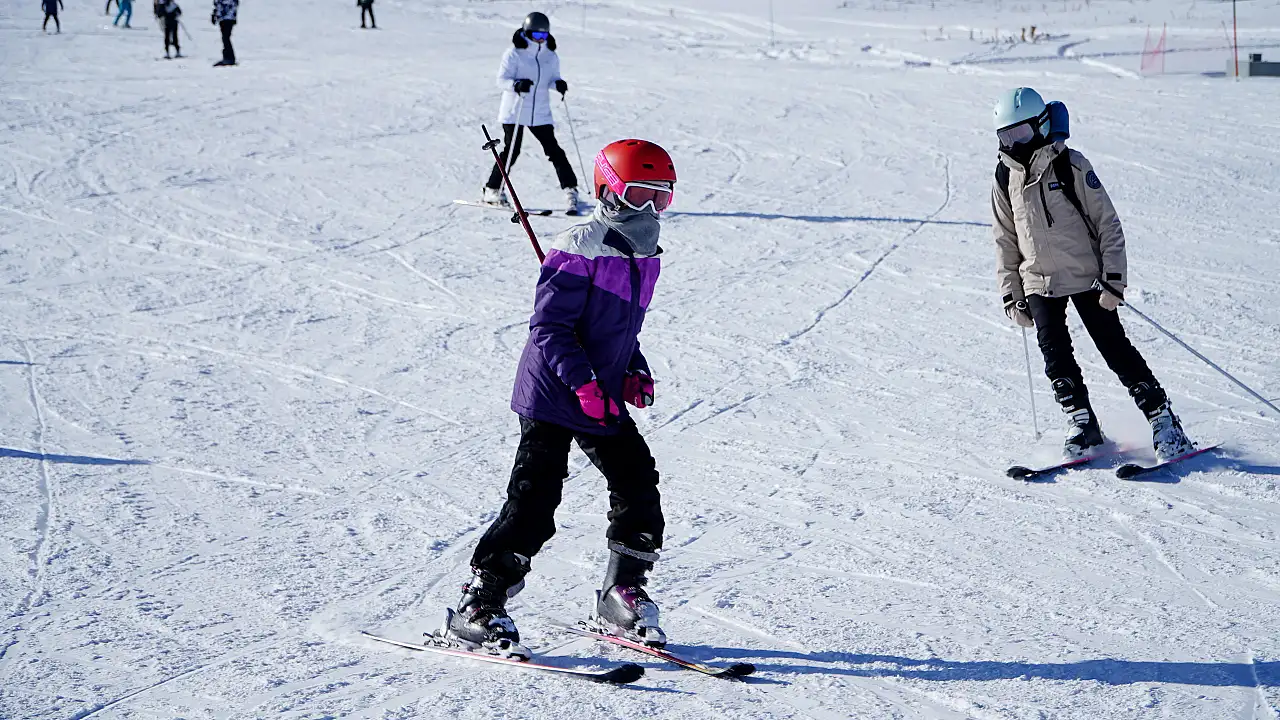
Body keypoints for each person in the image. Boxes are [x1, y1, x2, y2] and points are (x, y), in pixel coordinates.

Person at [443, 139, 677, 659]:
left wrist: (632, 366)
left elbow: (619, 326)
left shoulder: (645, 252)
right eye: (639, 193)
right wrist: (584, 382)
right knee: (535, 499)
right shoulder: (580, 246)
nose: (649, 208)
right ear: (609, 190)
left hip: (602, 389)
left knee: (638, 483)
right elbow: (550, 328)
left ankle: (621, 591)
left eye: (660, 197)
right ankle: (479, 603)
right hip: (554, 391)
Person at [991, 87, 1194, 462]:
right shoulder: (1005, 178)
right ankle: (1083, 424)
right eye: (1006, 136)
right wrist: (1011, 292)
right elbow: (1005, 240)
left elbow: (1108, 223)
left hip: (1088, 277)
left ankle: (1164, 421)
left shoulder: (1071, 165)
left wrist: (1114, 277)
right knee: (1055, 356)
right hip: (1038, 281)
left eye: (1020, 133)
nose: (1014, 143)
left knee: (1114, 348)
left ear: (1039, 126)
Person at [482, 11, 581, 215]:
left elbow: (552, 78)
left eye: (544, 36)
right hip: (515, 110)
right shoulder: (514, 53)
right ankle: (492, 190)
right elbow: (501, 80)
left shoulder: (550, 55)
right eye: (536, 36)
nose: (540, 40)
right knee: (512, 150)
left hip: (540, 112)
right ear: (527, 33)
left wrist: (558, 84)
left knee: (554, 151)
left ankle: (571, 189)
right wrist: (516, 84)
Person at [211, 0, 237, 66]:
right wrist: (215, 14)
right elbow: (217, 5)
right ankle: (227, 57)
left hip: (228, 18)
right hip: (223, 18)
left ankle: (229, 58)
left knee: (226, 38)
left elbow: (231, 5)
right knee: (224, 38)